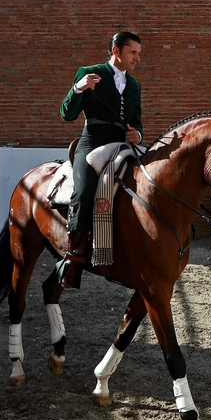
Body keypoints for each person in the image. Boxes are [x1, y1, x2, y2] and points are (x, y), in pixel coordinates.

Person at [54, 31, 143, 288]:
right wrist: (78, 88)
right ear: (117, 51)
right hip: (92, 142)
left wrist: (137, 134)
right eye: (133, 52)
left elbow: (137, 122)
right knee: (83, 192)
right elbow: (66, 114)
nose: (137, 58)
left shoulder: (135, 86)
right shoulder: (89, 72)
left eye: (138, 53)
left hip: (122, 145)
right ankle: (73, 256)